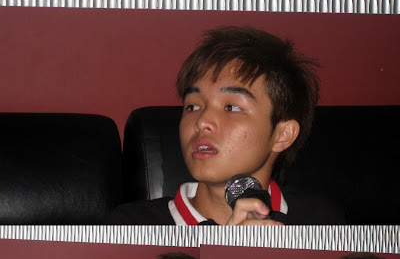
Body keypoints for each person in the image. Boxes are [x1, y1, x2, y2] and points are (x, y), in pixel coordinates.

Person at [106, 26, 345, 224]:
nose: (202, 122)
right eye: (193, 106)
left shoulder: (318, 219)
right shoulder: (132, 226)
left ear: (282, 135)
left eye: (231, 107)